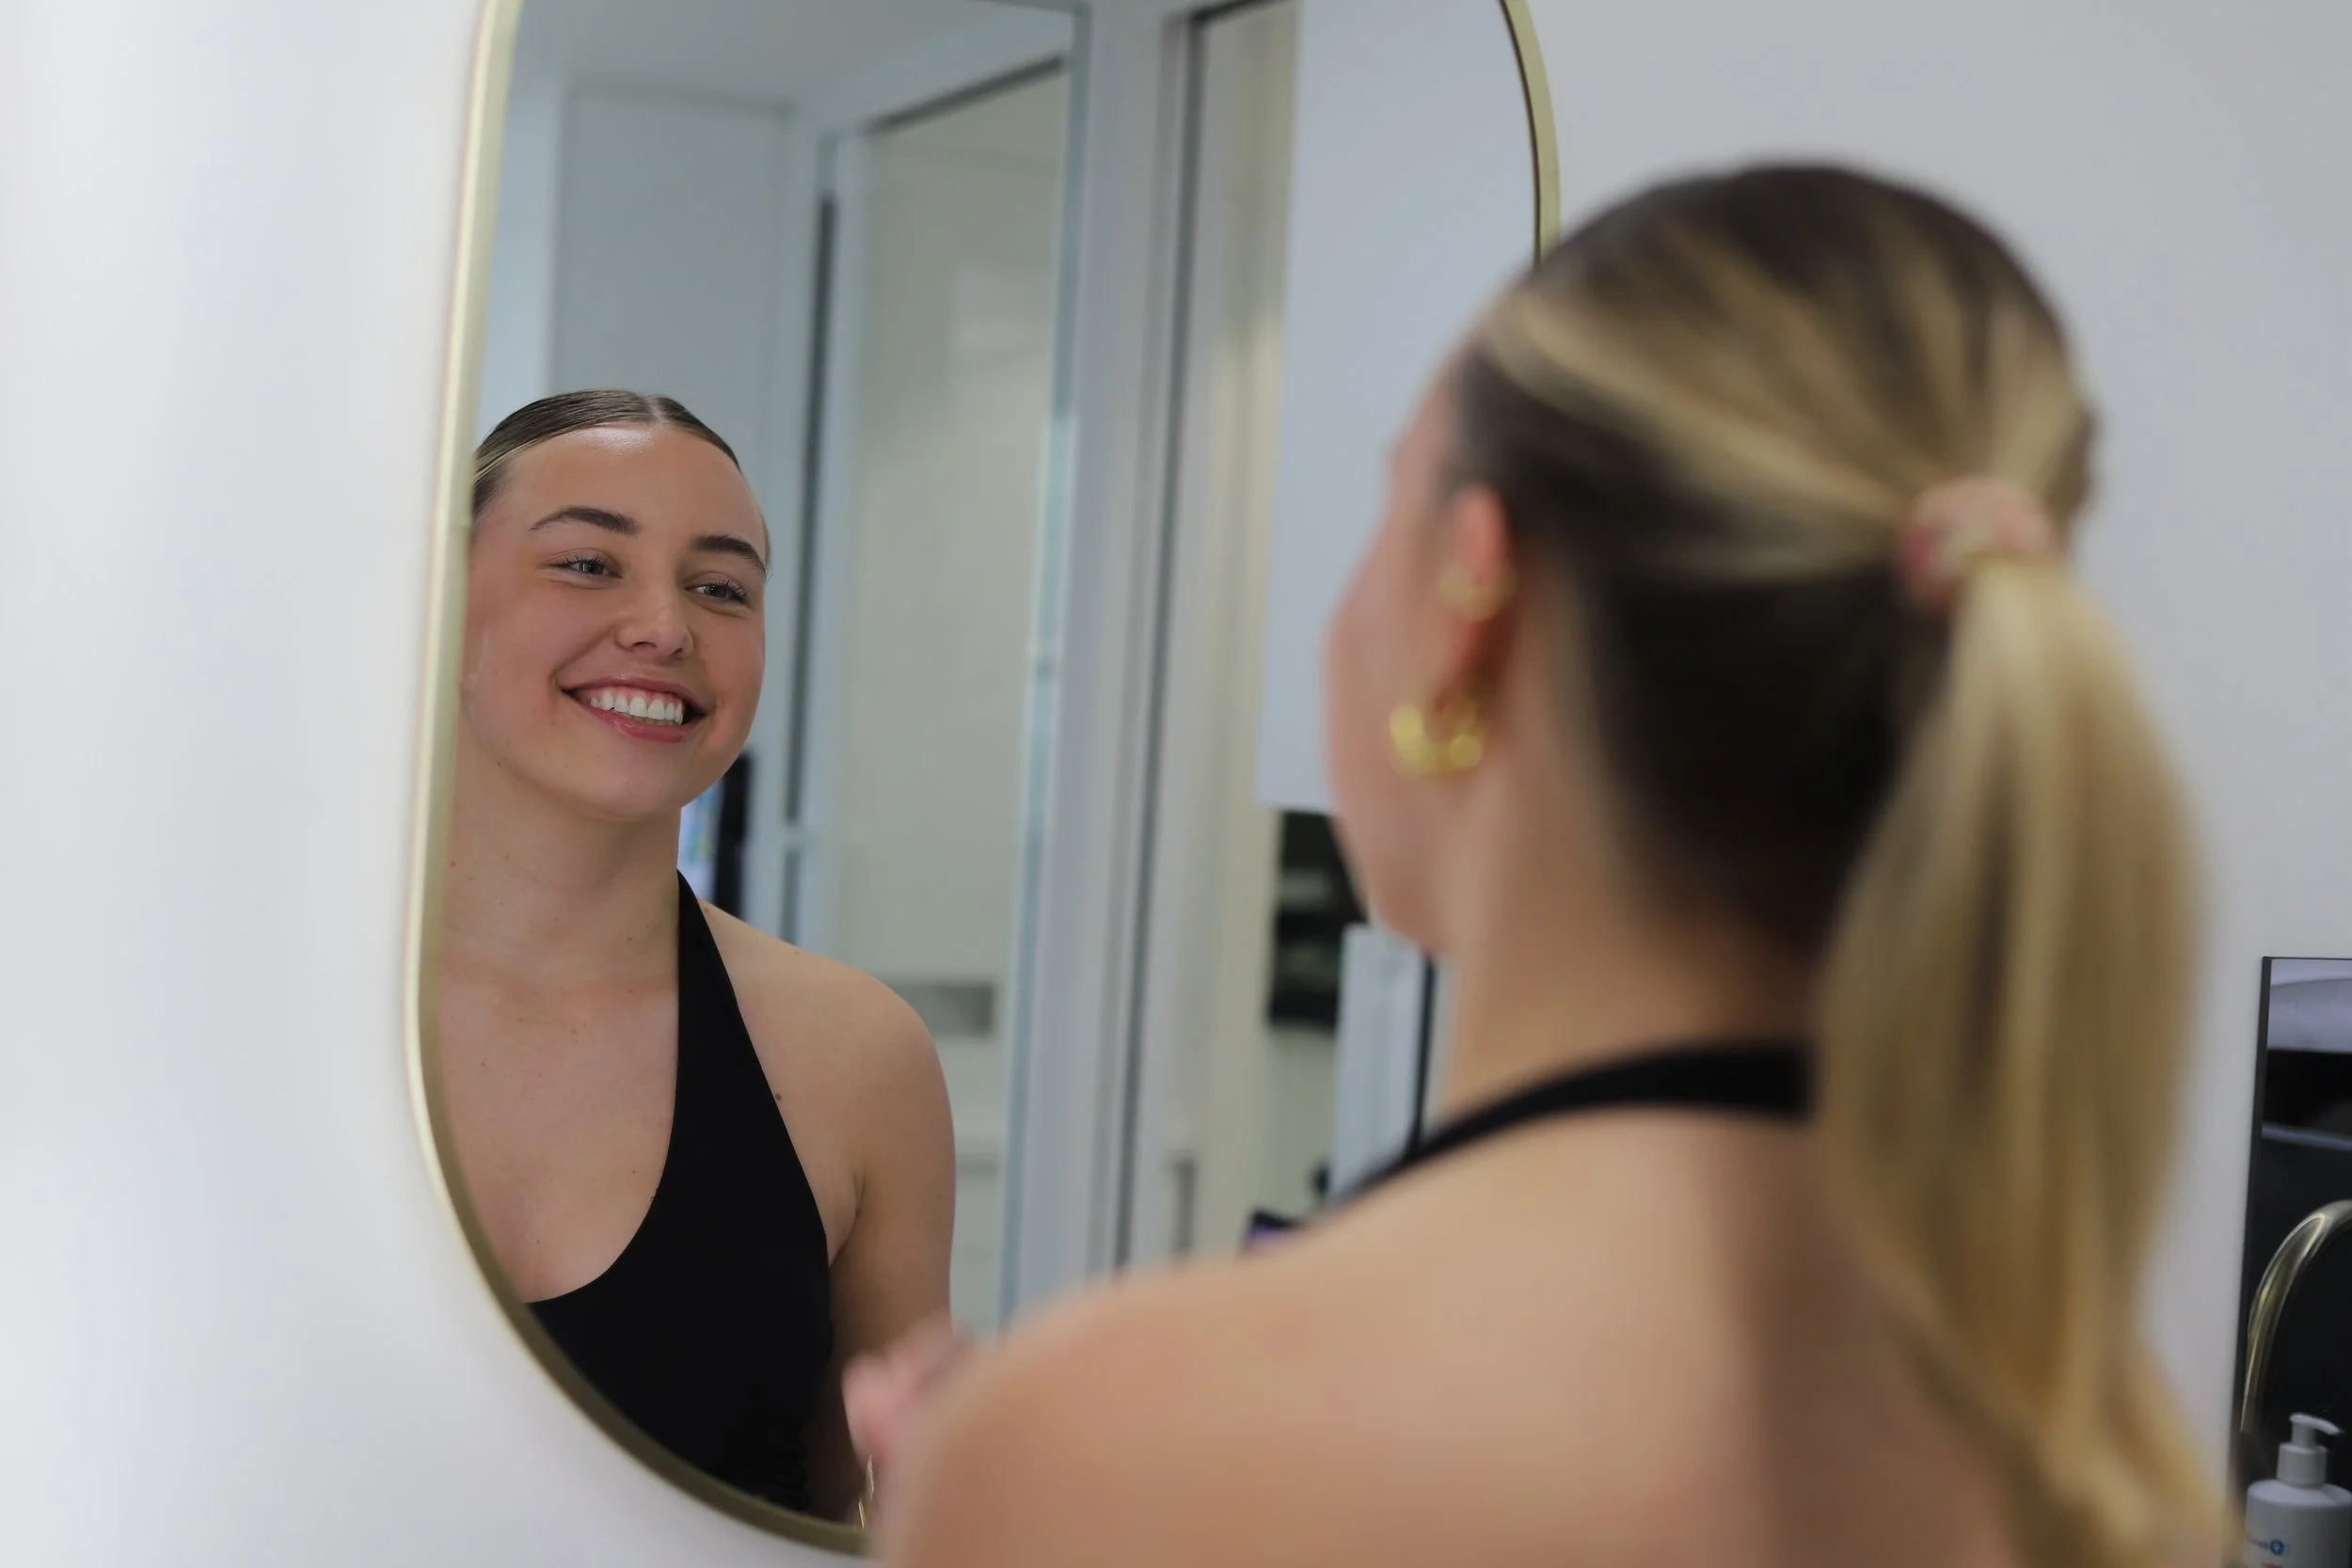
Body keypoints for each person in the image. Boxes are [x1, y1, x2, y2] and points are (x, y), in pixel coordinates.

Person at [860, 166, 2220, 1568]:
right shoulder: (2084, 1448)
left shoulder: (1129, 1443)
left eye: (1384, 497)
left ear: (1472, 599)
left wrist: (1007, 1489)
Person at [437, 390, 953, 1520]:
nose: (664, 627)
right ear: (437, 603)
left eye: (721, 588)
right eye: (586, 563)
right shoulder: (233, 1011)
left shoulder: (856, 1058)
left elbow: (885, 1515)